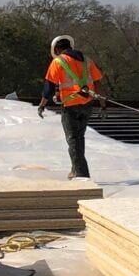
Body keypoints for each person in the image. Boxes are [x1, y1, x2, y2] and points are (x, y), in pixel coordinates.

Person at [39, 34, 106, 179]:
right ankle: (75, 168)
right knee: (79, 138)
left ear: (57, 49)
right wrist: (102, 104)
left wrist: (42, 105)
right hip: (87, 104)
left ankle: (81, 173)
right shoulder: (87, 60)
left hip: (70, 106)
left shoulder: (58, 62)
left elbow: (48, 87)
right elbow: (98, 82)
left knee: (73, 139)